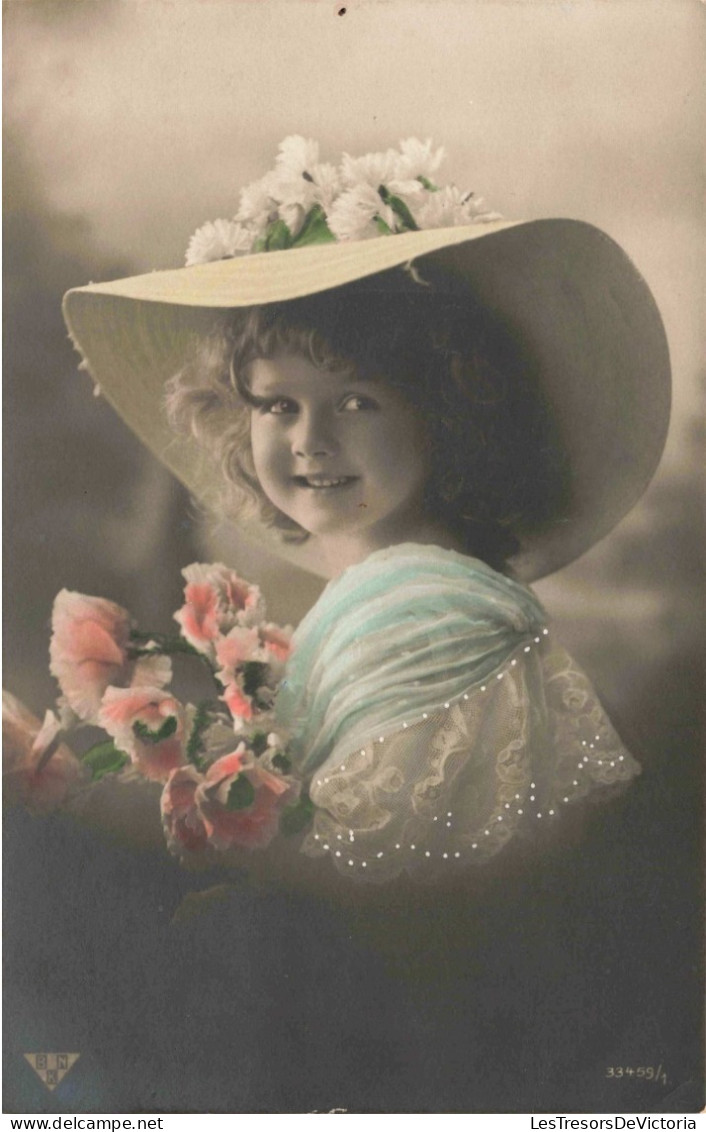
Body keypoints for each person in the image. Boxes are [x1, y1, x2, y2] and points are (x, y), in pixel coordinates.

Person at [17, 137, 675, 1111]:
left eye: (357, 400)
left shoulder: (420, 607)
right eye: (276, 403)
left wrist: (86, 831)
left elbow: (368, 885)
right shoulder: (406, 584)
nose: (309, 441)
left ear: (450, 413)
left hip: (432, 1033)